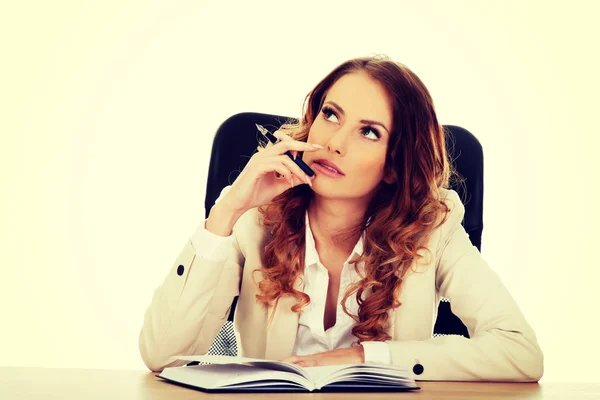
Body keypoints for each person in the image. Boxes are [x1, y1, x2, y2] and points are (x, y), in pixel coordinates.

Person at [138, 55, 543, 381]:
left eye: (369, 132)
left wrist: (364, 357)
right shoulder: (255, 217)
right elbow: (162, 356)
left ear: (393, 165)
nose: (334, 143)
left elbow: (519, 352)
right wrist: (226, 211)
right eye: (331, 115)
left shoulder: (434, 226)